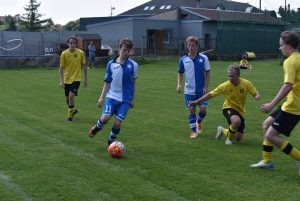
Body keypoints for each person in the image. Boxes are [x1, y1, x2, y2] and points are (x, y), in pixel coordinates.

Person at [250, 31, 300, 170]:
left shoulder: (290, 61)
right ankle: (267, 162)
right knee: (266, 125)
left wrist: (272, 104)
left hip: (293, 106)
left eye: (281, 45)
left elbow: (288, 85)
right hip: (292, 104)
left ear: (289, 45)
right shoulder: (298, 58)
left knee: (271, 135)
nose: (280, 48)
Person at [189, 65, 260, 145]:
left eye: (232, 76)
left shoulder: (246, 83)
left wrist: (257, 95)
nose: (230, 79)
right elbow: (211, 94)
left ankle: (222, 130)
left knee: (238, 137)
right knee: (236, 121)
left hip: (240, 111)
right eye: (229, 76)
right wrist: (197, 101)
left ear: (238, 75)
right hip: (228, 108)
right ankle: (228, 141)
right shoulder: (225, 85)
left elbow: (254, 92)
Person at [88, 38, 138, 145]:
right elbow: (107, 83)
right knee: (105, 118)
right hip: (112, 97)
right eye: (124, 50)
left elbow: (133, 83)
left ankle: (110, 143)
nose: (126, 52)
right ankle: (96, 128)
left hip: (125, 99)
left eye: (128, 50)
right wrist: (102, 97)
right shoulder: (111, 64)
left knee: (117, 124)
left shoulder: (133, 65)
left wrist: (132, 99)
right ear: (119, 48)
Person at [177, 36, 211, 138]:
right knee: (192, 110)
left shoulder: (204, 58)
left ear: (197, 46)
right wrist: (178, 84)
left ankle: (199, 122)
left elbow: (208, 72)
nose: (191, 47)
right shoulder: (183, 60)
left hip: (201, 91)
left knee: (203, 110)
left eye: (193, 45)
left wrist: (206, 86)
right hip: (189, 91)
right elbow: (180, 73)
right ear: (187, 46)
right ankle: (193, 131)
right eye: (189, 45)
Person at [59, 36, 88, 122]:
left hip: (76, 79)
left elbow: (84, 67)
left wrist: (85, 80)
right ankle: (73, 111)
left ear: (76, 44)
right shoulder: (64, 54)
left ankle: (69, 116)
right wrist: (61, 81)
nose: (72, 45)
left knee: (71, 96)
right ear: (68, 44)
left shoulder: (81, 53)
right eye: (71, 43)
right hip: (67, 79)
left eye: (74, 43)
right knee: (67, 99)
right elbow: (61, 68)